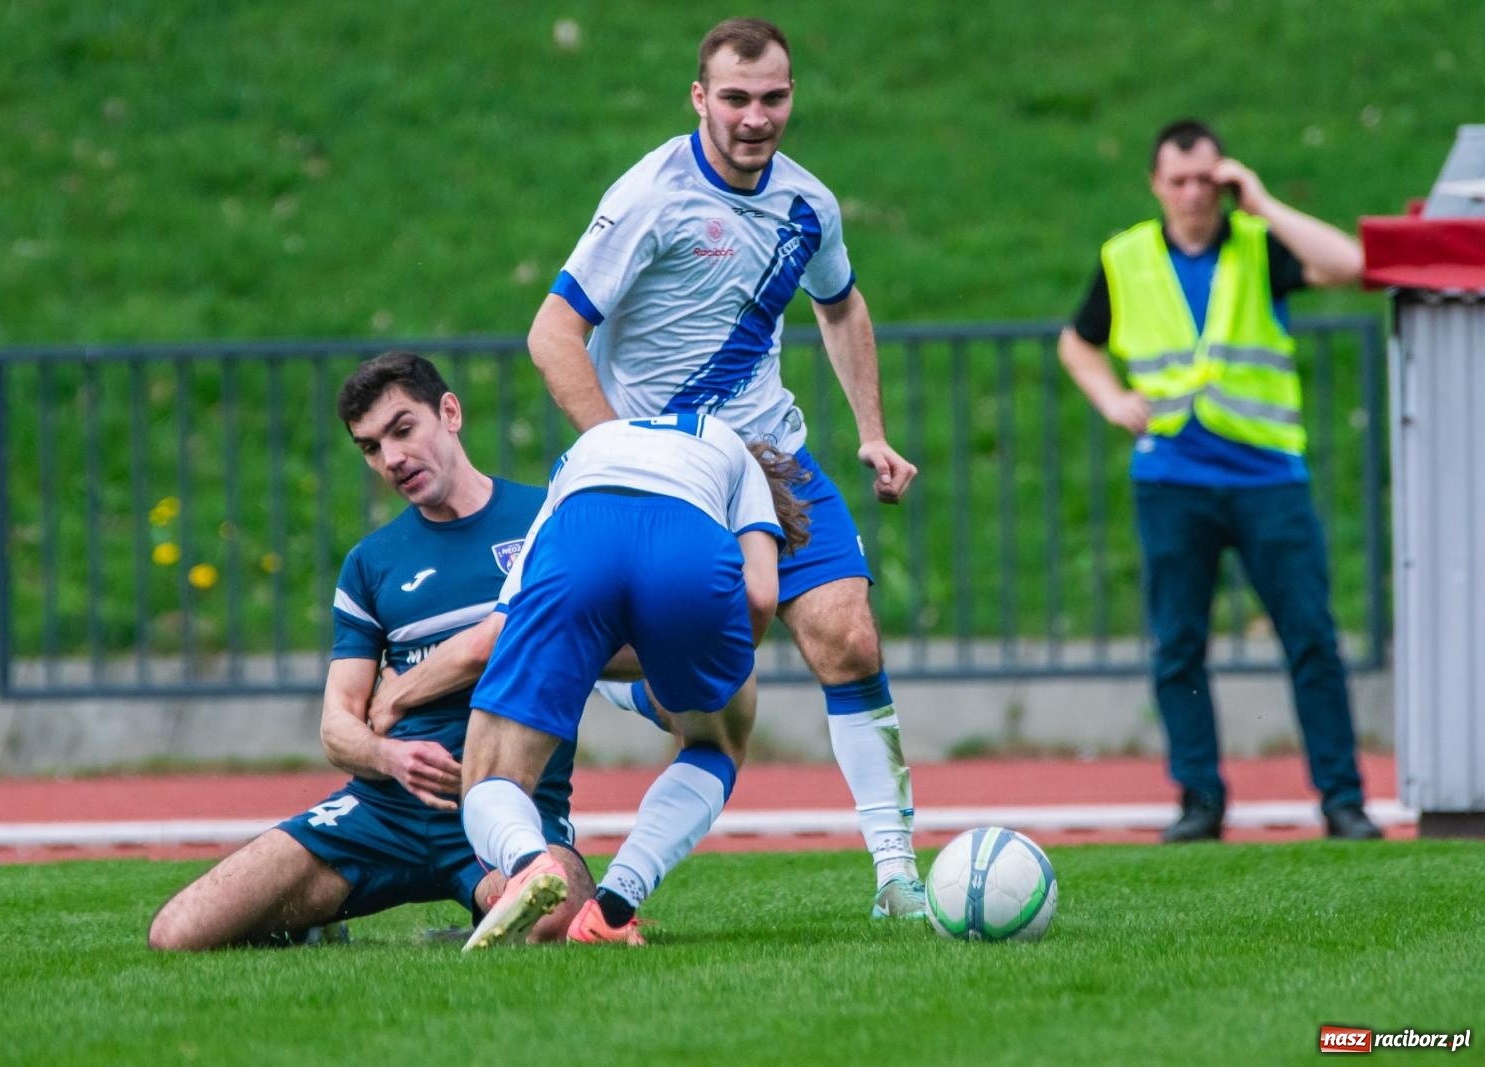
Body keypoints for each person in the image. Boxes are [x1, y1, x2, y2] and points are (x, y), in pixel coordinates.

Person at [525, 17, 926, 918]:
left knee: (849, 636)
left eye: (774, 97)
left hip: (770, 453)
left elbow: (840, 301)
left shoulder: (807, 206)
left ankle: (897, 875)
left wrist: (871, 430)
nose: (756, 117)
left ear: (793, 96)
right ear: (700, 98)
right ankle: (620, 688)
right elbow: (553, 332)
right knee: (709, 687)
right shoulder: (650, 197)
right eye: (736, 98)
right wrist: (616, 450)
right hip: (667, 472)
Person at [147, 352, 595, 950]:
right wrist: (389, 758)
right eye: (370, 447)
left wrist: (404, 688)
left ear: (451, 413)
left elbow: (569, 643)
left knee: (553, 914)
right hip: (383, 815)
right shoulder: (371, 563)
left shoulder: (547, 520)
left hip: (510, 804)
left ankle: (479, 913)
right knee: (178, 934)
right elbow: (338, 727)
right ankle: (313, 922)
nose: (392, 459)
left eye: (403, 429)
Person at [1057, 119, 1382, 843]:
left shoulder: (1262, 248)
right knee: (1179, 644)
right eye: (1179, 180)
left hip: (1269, 476)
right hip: (1173, 478)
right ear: (1156, 184)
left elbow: (1354, 265)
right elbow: (1077, 342)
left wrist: (1262, 202)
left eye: (1207, 178)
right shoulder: (1126, 256)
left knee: (1312, 638)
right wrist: (1113, 400)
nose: (1194, 193)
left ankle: (1342, 799)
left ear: (1224, 178)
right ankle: (1199, 799)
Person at [458, 412, 810, 949]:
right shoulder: (735, 458)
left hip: (580, 534)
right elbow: (760, 595)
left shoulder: (589, 445)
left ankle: (529, 863)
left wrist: (394, 694)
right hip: (687, 546)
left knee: (489, 771)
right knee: (716, 743)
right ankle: (614, 905)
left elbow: (510, 616)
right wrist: (707, 670)